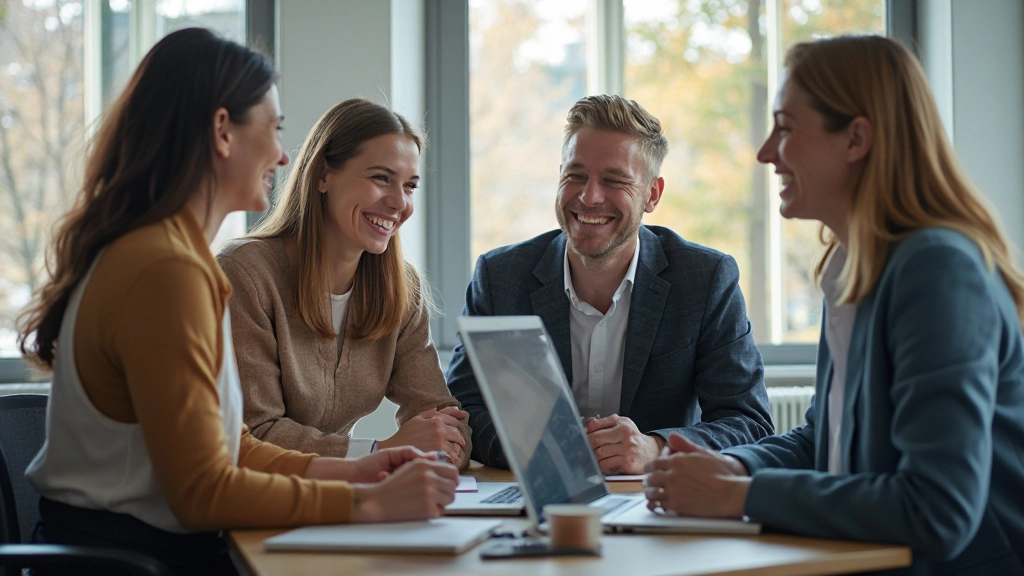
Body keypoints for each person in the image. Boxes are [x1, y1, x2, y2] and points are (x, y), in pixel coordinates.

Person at [17, 28, 457, 576]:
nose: (281, 154)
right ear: (223, 131)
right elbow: (201, 491)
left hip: (145, 549)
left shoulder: (172, 257)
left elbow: (232, 447)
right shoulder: (165, 271)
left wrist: (359, 471)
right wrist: (364, 503)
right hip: (131, 561)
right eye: (273, 129)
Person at [643, 35, 1024, 574]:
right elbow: (823, 436)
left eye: (786, 126)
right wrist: (728, 466)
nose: (765, 151)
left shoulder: (937, 269)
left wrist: (740, 497)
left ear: (856, 139)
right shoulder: (853, 265)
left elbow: (938, 509)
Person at [447, 94, 774, 475]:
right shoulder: (499, 276)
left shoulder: (705, 279)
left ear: (652, 194)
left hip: (656, 504)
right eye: (576, 176)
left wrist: (655, 448)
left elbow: (748, 422)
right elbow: (463, 410)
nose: (589, 197)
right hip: (534, 499)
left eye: (614, 180)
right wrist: (549, 451)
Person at [217, 99, 471, 469]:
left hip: (342, 498)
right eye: (381, 178)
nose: (399, 202)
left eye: (410, 186)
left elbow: (443, 415)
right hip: (260, 500)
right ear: (323, 174)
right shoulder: (246, 274)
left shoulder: (404, 288)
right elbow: (255, 432)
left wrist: (447, 445)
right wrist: (378, 451)